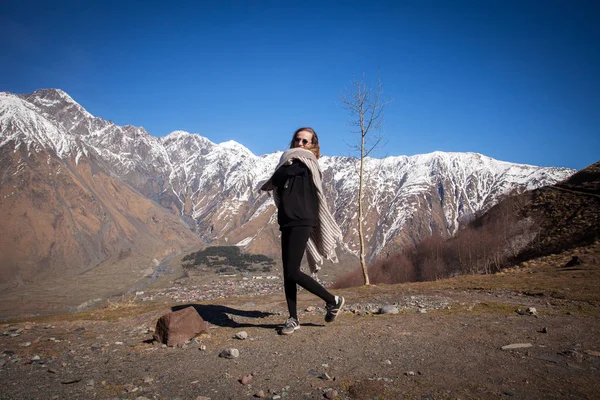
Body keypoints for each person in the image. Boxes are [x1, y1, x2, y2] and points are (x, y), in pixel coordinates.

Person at [261, 127, 345, 335]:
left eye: (305, 141)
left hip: (303, 220)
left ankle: (333, 300)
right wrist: (284, 166)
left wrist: (286, 164)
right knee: (288, 274)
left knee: (292, 271)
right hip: (287, 220)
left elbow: (280, 176)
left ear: (313, 146)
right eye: (297, 140)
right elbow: (279, 179)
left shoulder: (306, 164)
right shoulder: (289, 161)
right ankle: (293, 318)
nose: (300, 144)